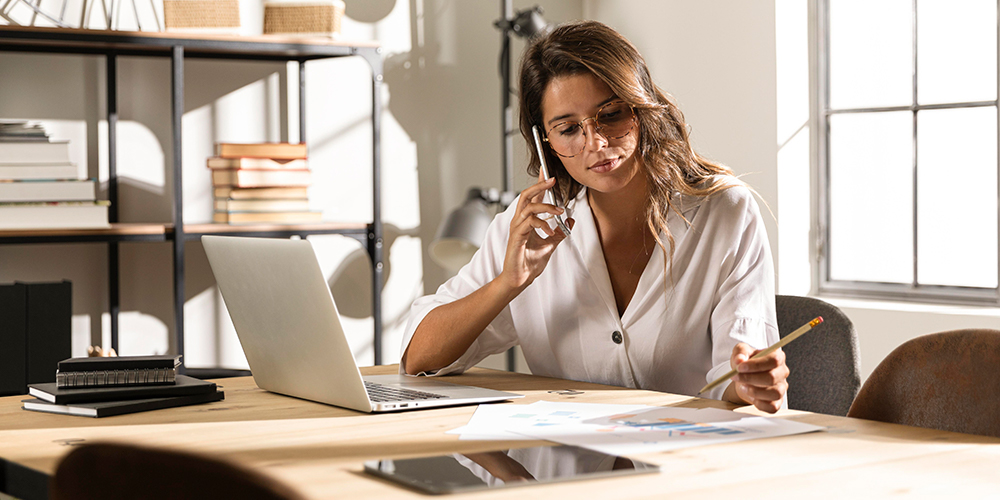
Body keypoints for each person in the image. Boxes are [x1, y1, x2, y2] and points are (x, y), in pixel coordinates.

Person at [401, 20, 788, 413]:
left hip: (687, 461)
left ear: (641, 107)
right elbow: (418, 360)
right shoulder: (528, 229)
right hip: (564, 467)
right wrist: (508, 283)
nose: (596, 143)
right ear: (545, 142)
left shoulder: (724, 213)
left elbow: (738, 375)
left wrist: (752, 383)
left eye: (612, 114)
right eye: (569, 128)